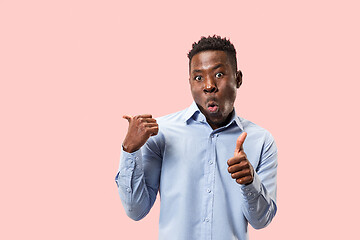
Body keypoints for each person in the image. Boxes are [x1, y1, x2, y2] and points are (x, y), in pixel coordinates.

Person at [115, 35, 278, 240]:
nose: (208, 86)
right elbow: (135, 211)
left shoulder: (261, 140)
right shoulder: (160, 133)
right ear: (190, 82)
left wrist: (249, 181)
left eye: (219, 74)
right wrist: (130, 151)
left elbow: (261, 221)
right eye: (198, 77)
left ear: (238, 78)